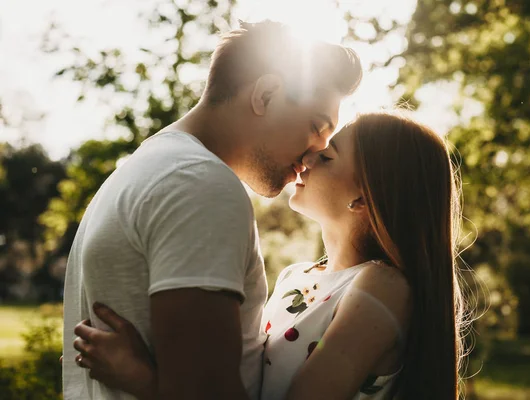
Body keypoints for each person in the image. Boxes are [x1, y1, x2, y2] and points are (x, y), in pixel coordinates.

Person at [62, 20, 362, 400]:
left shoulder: (142, 169)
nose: (315, 151)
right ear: (266, 95)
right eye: (316, 125)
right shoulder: (199, 184)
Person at [72, 112, 468, 399]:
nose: (306, 159)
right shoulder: (297, 278)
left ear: (364, 198)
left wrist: (143, 379)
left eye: (326, 158)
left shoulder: (381, 288)